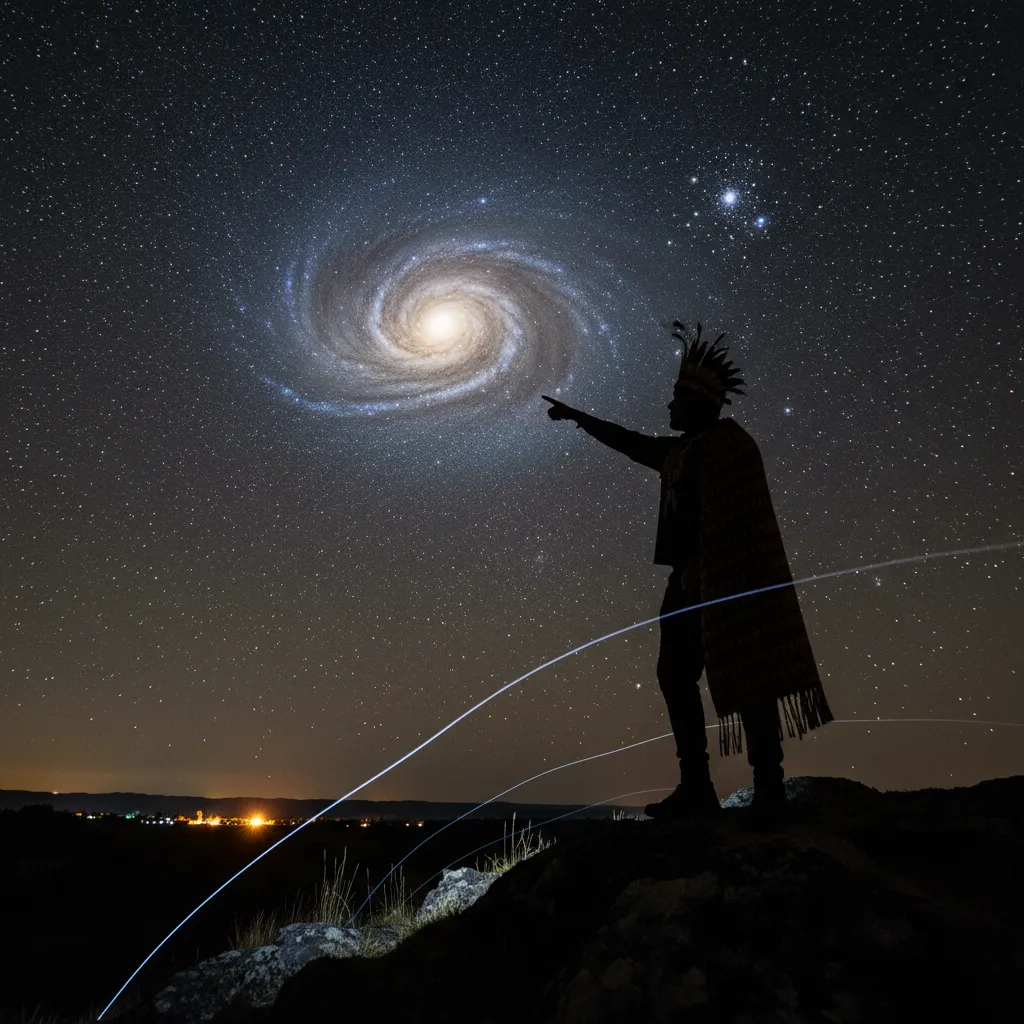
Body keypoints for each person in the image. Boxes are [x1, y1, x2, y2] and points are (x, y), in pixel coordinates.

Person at [543, 321, 832, 819]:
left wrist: (708, 570)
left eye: (676, 399)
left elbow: (739, 521)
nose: (668, 406)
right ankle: (697, 786)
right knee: (675, 676)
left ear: (698, 403)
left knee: (750, 676)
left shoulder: (728, 447)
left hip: (733, 584)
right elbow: (631, 442)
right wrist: (578, 417)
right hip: (685, 584)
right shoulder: (680, 451)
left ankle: (769, 790)